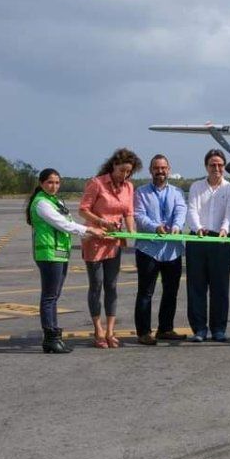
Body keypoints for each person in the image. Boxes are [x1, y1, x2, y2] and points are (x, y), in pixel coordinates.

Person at [26, 168, 105, 354]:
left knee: (54, 296)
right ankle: (50, 337)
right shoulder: (42, 203)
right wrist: (90, 230)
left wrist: (89, 234)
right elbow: (63, 224)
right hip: (48, 254)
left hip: (59, 253)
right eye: (49, 183)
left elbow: (67, 225)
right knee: (49, 297)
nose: (54, 186)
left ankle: (54, 336)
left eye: (57, 183)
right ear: (41, 183)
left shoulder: (56, 201)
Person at [78, 148, 141, 349]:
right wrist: (102, 222)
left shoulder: (129, 187)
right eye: (122, 170)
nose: (125, 175)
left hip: (114, 242)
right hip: (95, 240)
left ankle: (110, 331)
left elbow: (128, 212)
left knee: (111, 286)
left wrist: (131, 232)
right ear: (114, 165)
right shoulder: (96, 183)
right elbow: (83, 210)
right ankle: (97, 329)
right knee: (96, 285)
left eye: (128, 172)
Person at [133, 154, 188, 346]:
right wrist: (155, 227)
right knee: (146, 292)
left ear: (169, 170)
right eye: (156, 168)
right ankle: (143, 332)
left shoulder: (178, 192)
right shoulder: (140, 192)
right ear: (151, 171)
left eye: (163, 168)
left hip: (172, 250)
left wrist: (177, 227)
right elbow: (139, 215)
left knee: (170, 291)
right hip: (149, 249)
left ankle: (165, 329)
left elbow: (181, 211)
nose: (160, 171)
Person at [185, 149, 230, 343]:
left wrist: (224, 229)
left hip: (221, 241)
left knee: (220, 288)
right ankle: (199, 329)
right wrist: (197, 228)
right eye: (213, 165)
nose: (217, 168)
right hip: (198, 240)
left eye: (220, 165)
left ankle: (218, 329)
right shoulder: (197, 186)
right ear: (206, 167)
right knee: (196, 287)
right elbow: (192, 210)